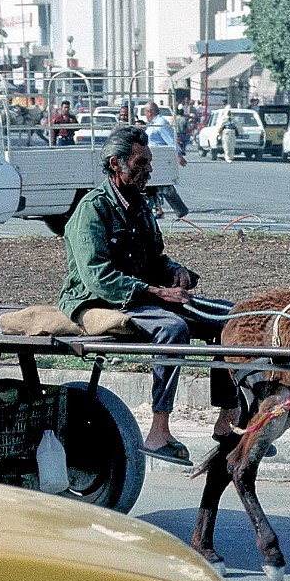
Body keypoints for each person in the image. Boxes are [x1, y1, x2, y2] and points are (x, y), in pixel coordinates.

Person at [59, 126, 240, 466]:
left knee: (228, 316)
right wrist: (157, 291)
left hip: (141, 295)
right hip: (100, 300)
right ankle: (158, 432)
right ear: (116, 165)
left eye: (149, 162)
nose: (149, 170)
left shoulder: (140, 205)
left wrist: (176, 271)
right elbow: (99, 277)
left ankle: (228, 419)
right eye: (141, 163)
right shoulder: (92, 210)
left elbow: (155, 259)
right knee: (173, 329)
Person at [142, 100, 189, 217]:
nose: (145, 115)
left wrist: (178, 155)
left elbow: (170, 140)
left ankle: (180, 210)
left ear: (149, 112)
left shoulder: (161, 123)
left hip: (161, 159)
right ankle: (159, 210)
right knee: (155, 185)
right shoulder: (154, 123)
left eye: (145, 113)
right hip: (154, 159)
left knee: (165, 186)